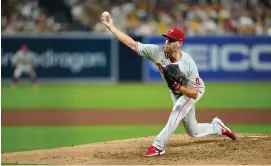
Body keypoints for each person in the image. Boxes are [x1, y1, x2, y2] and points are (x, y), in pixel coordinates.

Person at [101, 11, 236, 157]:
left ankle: (158, 145)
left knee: (178, 109)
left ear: (179, 44)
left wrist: (179, 87)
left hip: (191, 90)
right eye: (166, 39)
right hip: (175, 91)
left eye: (171, 41)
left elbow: (194, 93)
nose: (167, 42)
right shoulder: (156, 52)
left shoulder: (188, 63)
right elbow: (131, 44)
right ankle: (217, 127)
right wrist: (112, 28)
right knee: (193, 131)